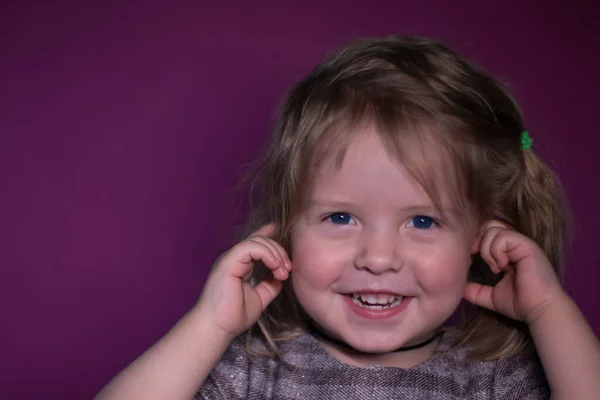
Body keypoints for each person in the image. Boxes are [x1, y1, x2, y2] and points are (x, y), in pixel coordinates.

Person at [96, 36, 600, 399]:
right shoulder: (254, 373)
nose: (378, 258)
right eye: (341, 217)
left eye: (422, 221)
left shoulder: (492, 380)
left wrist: (547, 308)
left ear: (482, 236)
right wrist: (209, 325)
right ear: (288, 227)